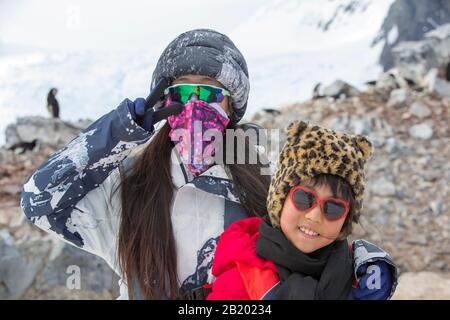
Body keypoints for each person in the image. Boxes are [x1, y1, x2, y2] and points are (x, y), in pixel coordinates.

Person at [21, 29, 395, 300]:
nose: (195, 105)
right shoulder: (126, 191)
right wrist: (121, 130)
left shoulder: (265, 182)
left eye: (210, 93)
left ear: (233, 107)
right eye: (182, 91)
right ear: (162, 103)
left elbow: (316, 228)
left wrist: (366, 260)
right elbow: (40, 201)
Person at [207, 121, 398, 300]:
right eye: (304, 198)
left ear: (346, 220)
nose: (314, 216)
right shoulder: (240, 277)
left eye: (333, 208)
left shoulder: (361, 277)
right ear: (279, 200)